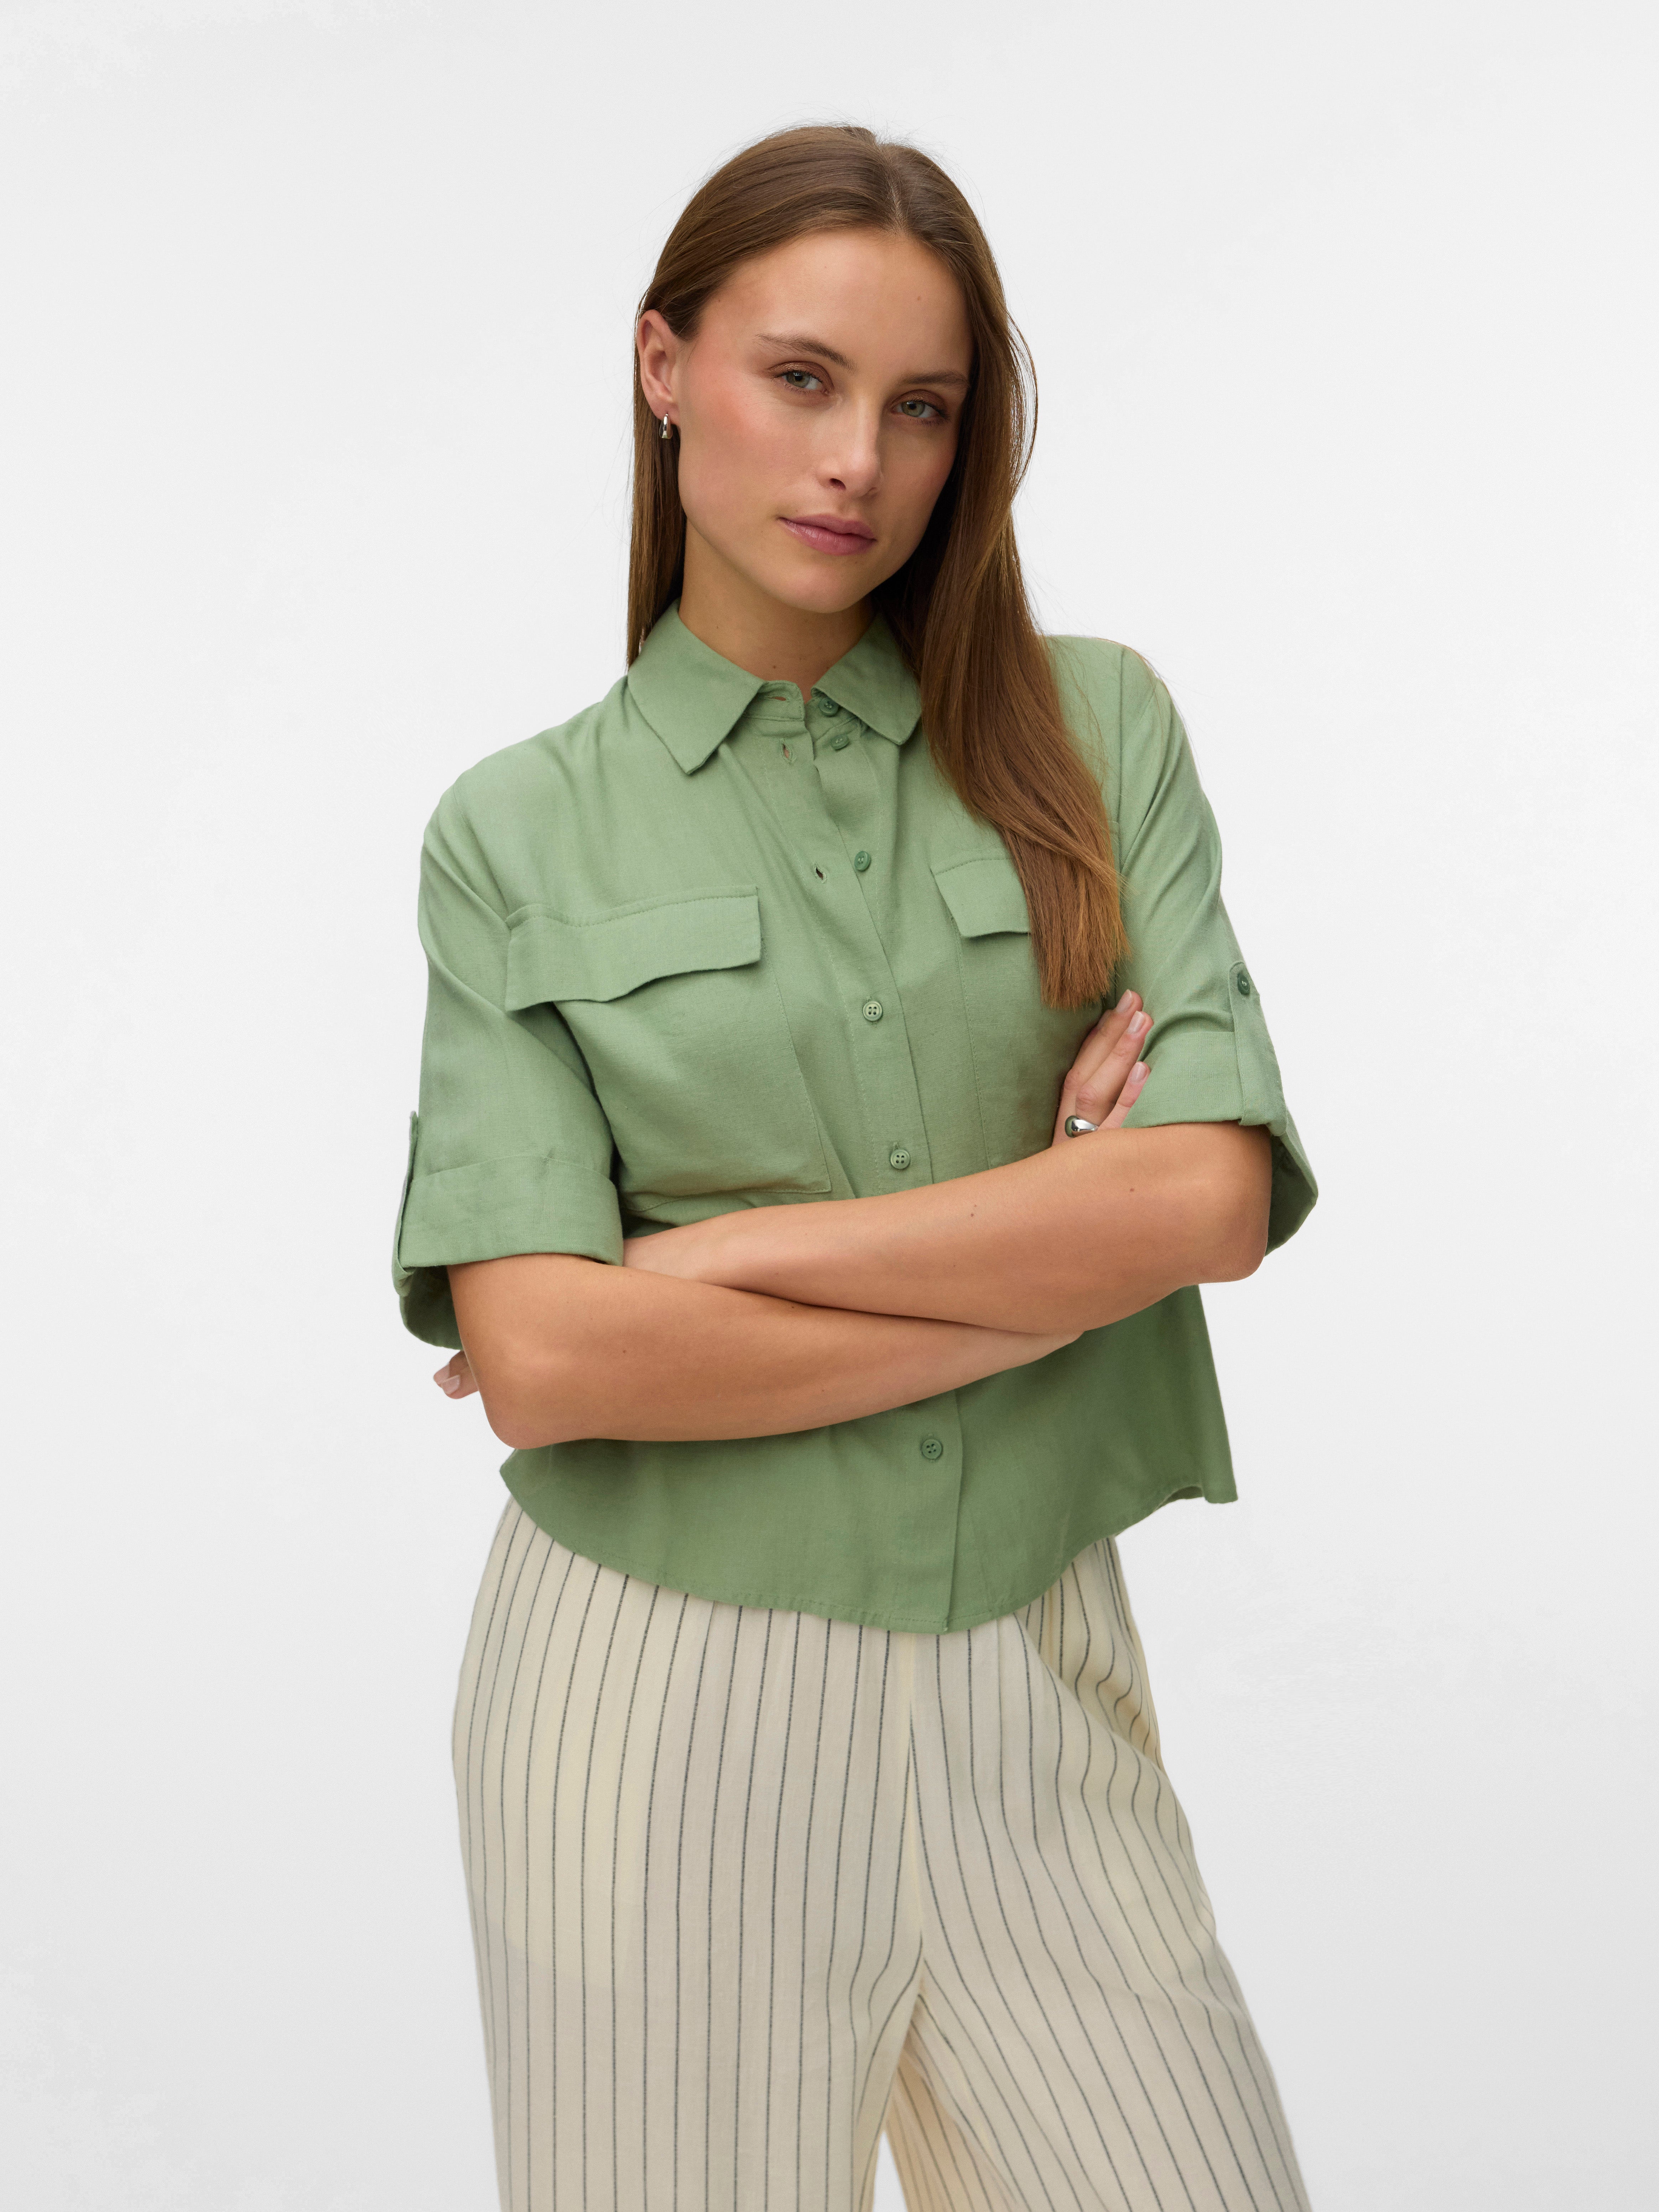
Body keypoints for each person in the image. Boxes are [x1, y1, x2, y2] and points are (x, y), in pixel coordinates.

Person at [393, 123, 1319, 2212]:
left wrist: (715, 1265)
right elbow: (548, 1361)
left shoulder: (1094, 735)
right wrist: (1045, 1262)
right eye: (799, 379)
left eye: (921, 408)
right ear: (664, 368)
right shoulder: (513, 833)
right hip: (652, 1714)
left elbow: (1204, 1204)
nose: (856, 463)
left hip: (1037, 1685)